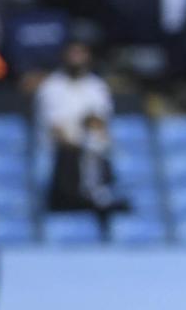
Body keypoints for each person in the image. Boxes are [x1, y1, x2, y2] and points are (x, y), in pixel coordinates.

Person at [36, 42, 127, 226]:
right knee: (73, 154)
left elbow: (98, 122)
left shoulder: (97, 86)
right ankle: (82, 197)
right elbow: (58, 130)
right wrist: (81, 140)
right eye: (72, 53)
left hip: (89, 152)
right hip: (60, 155)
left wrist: (90, 136)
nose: (76, 58)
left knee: (97, 150)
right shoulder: (51, 87)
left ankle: (98, 198)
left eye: (81, 53)